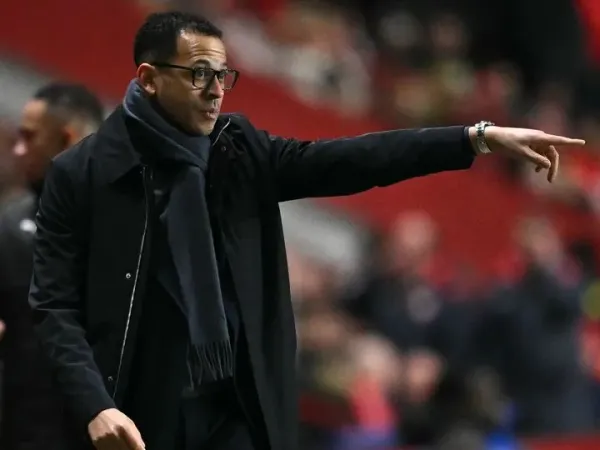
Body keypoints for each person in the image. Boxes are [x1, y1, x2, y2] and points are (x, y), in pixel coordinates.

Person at [28, 10, 584, 450]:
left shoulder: (239, 150)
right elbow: (54, 307)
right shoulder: (82, 174)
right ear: (149, 79)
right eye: (199, 74)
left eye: (223, 75)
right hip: (135, 414)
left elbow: (356, 159)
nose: (216, 89)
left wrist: (473, 138)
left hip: (238, 409)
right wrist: (96, 405)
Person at [0, 83, 104, 450]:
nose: (19, 150)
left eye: (29, 137)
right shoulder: (10, 225)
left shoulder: (135, 231)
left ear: (66, 139)